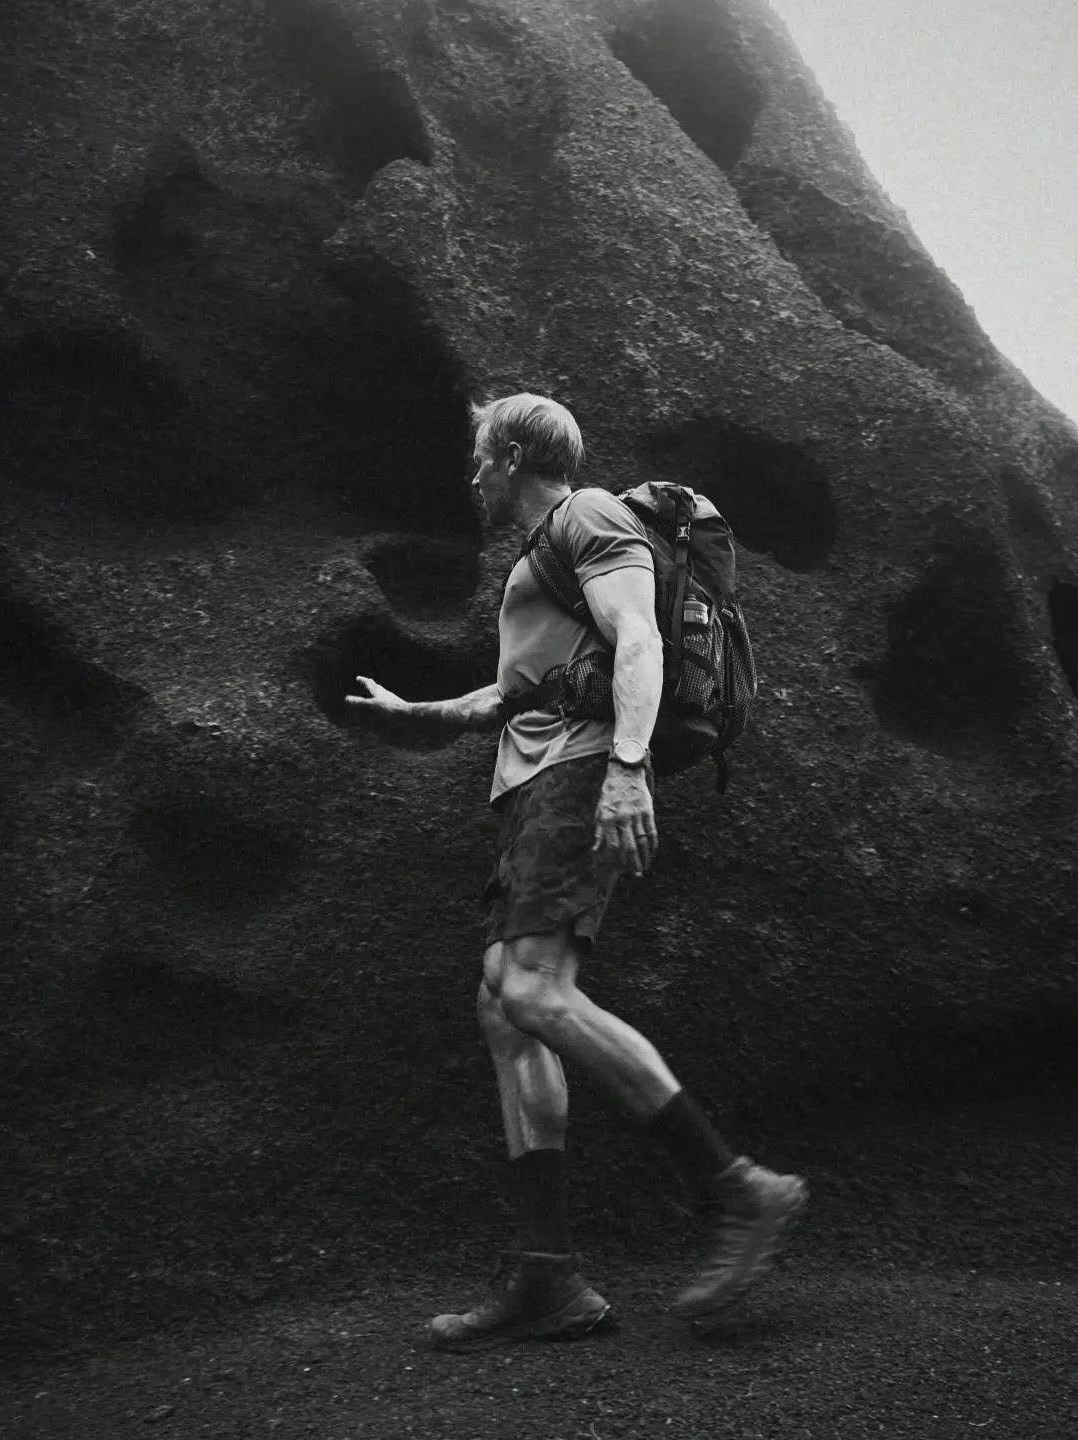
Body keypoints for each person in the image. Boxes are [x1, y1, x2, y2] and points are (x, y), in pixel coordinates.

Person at [346, 393, 806, 1350]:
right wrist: (412, 714)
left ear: (514, 453)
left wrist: (628, 769)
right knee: (503, 1003)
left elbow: (638, 637)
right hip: (535, 783)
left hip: (580, 770)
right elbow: (510, 696)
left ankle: (738, 1189)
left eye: (481, 456)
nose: (473, 474)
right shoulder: (539, 558)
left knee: (531, 988)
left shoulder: (586, 515)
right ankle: (547, 1277)